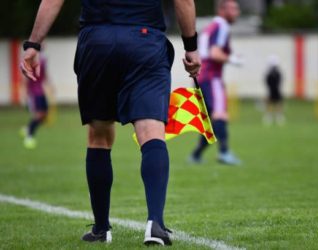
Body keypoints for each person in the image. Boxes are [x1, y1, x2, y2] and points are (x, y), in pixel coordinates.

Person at [20, 0, 201, 246]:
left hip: (97, 41)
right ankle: (155, 223)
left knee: (99, 135)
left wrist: (33, 44)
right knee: (151, 131)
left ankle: (101, 228)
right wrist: (191, 47)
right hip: (145, 40)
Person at [189, 0, 242, 166]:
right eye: (233, 8)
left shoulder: (211, 26)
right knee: (220, 114)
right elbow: (215, 53)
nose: (237, 12)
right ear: (222, 9)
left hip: (201, 77)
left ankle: (196, 155)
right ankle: (224, 152)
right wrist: (233, 59)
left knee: (211, 122)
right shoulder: (222, 26)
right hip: (212, 77)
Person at [20, 53, 49, 149]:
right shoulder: (30, 61)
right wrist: (24, 93)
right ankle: (29, 136)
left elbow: (45, 75)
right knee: (39, 114)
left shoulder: (43, 60)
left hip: (41, 92)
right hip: (34, 93)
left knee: (44, 115)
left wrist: (50, 86)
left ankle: (28, 128)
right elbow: (25, 78)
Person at [263, 55, 285, 126]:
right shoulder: (270, 73)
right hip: (271, 89)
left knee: (278, 103)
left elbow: (280, 81)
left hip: (276, 89)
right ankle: (269, 116)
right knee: (270, 102)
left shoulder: (277, 73)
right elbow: (267, 81)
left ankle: (278, 116)